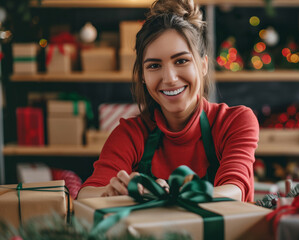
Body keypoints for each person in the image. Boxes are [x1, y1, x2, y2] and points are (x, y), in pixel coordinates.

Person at [77, 0, 258, 202]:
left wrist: (167, 195)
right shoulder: (130, 134)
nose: (170, 78)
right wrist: (111, 192)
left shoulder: (234, 122)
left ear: (204, 65)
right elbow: (85, 194)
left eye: (181, 61)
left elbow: (233, 191)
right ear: (143, 76)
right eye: (154, 66)